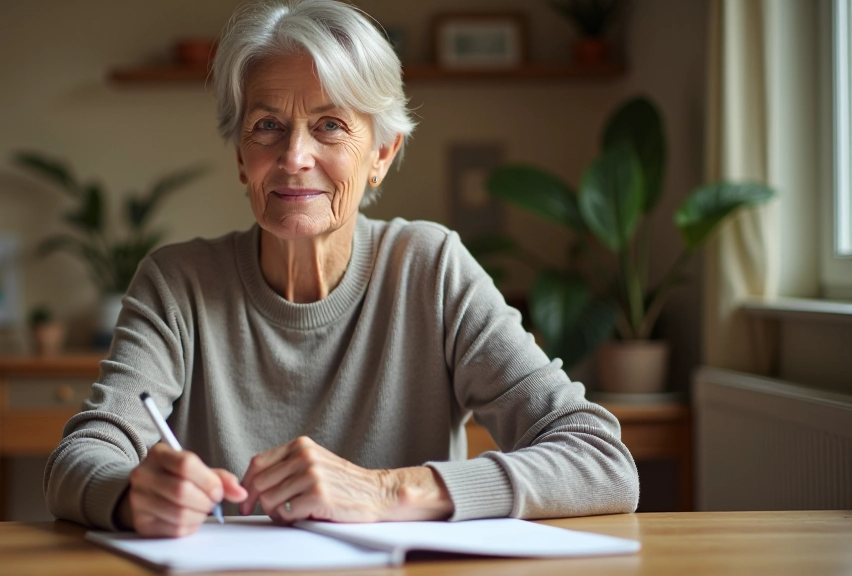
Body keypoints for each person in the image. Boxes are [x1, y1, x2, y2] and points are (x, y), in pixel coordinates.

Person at [44, 0, 639, 538]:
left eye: (330, 125)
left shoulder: (431, 270)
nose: (294, 156)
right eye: (267, 127)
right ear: (242, 160)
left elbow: (600, 460)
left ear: (382, 155)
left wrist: (386, 491)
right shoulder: (177, 283)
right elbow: (83, 454)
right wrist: (129, 495)